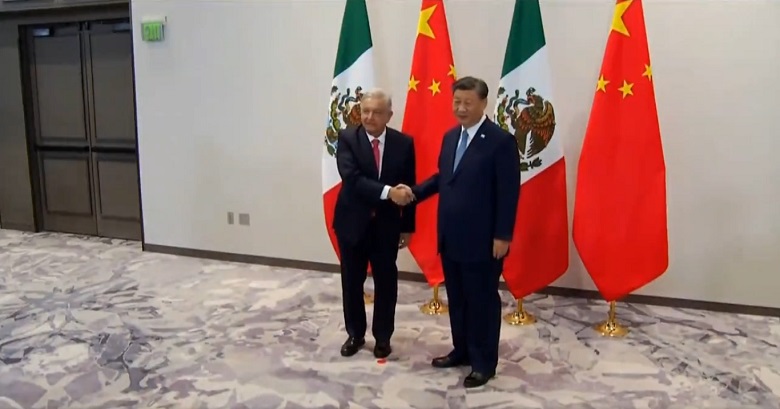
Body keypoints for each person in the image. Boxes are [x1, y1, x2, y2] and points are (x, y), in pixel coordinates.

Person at [401, 77, 521, 388]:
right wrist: (413, 192)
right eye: (457, 102)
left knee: (482, 301)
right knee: (458, 299)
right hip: (451, 236)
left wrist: (503, 235)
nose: (461, 108)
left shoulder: (500, 141)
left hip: (484, 240)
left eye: (468, 102)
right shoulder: (451, 136)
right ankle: (462, 350)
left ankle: (484, 363)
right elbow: (444, 178)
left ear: (483, 103)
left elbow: (509, 192)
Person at [332, 88, 416, 359]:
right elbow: (352, 179)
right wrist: (389, 193)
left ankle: (383, 337)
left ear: (389, 115)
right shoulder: (347, 138)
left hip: (386, 227)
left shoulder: (404, 143)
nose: (369, 117)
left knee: (386, 283)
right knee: (352, 282)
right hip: (352, 224)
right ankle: (355, 334)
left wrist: (408, 226)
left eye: (376, 112)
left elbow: (409, 188)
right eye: (365, 111)